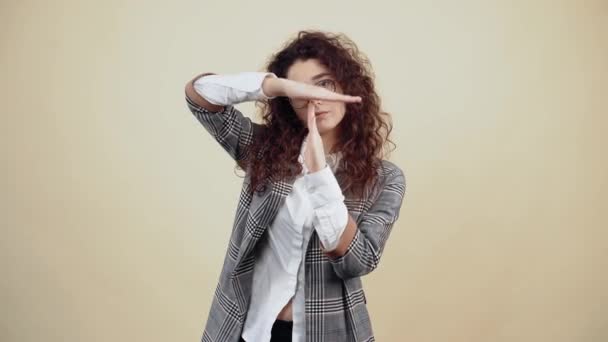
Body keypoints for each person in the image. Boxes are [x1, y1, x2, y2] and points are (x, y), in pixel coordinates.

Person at [184, 30, 406, 342]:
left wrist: (319, 174)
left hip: (328, 332)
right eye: (301, 91)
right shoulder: (265, 151)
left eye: (324, 83)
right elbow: (200, 96)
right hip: (251, 328)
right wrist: (274, 85)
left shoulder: (384, 178)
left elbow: (358, 261)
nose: (315, 98)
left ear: (347, 86)